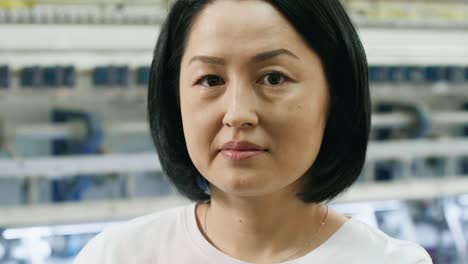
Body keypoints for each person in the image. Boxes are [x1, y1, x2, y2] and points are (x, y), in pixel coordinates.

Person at [74, 0, 433, 263]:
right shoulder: (117, 256)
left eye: (273, 78)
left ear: (335, 96)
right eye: (210, 80)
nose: (238, 114)